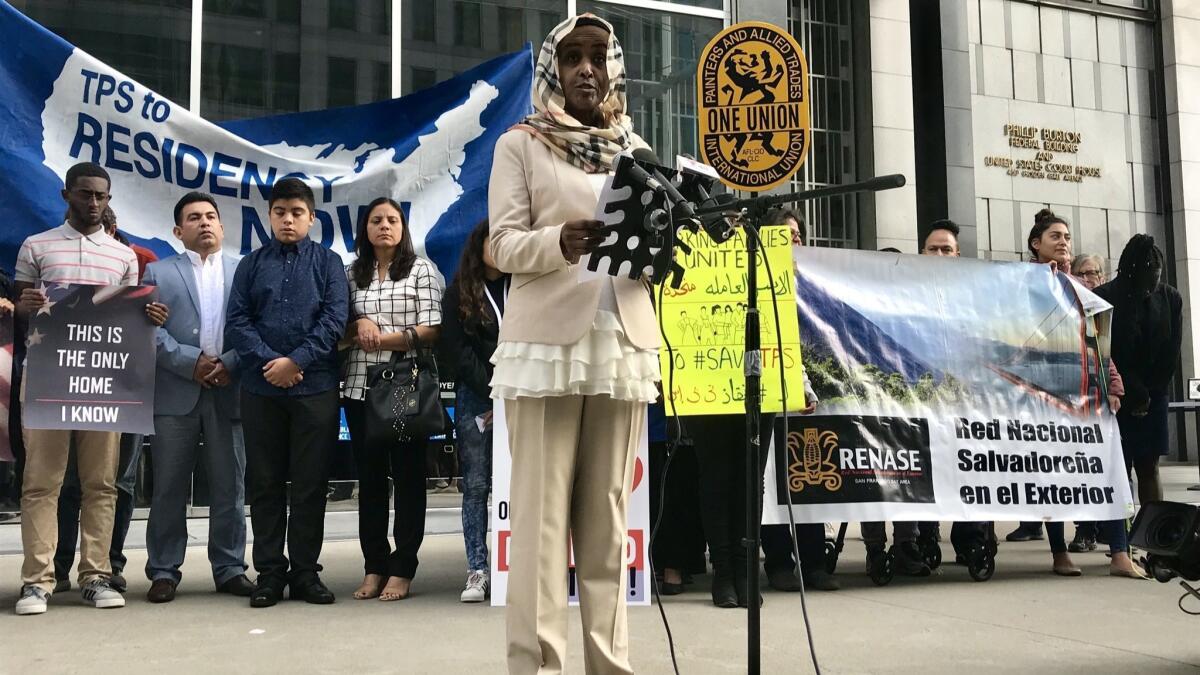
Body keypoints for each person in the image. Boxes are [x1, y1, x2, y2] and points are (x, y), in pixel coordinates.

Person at [488, 14, 660, 673]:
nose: (585, 69)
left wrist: (663, 248)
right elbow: (500, 246)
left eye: (597, 57)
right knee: (538, 525)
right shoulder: (520, 144)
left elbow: (648, 246)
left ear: (613, 67)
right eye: (571, 57)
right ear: (551, 71)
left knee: (608, 527)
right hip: (545, 346)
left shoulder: (636, 149)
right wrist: (558, 242)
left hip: (621, 340)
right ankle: (537, 666)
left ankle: (609, 665)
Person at [14, 162, 167, 616]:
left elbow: (126, 321)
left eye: (102, 196)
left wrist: (149, 317)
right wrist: (25, 305)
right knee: (42, 482)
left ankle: (96, 575)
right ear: (66, 195)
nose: (94, 203)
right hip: (47, 381)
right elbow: (20, 309)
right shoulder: (35, 245)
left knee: (102, 483)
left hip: (103, 383)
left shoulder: (122, 257)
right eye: (85, 194)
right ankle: (37, 581)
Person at [226, 177, 348, 607]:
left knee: (311, 484)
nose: (288, 220)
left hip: (315, 387)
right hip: (261, 390)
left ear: (312, 218)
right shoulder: (251, 264)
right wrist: (271, 363)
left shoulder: (329, 263)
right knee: (265, 483)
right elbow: (237, 322)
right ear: (269, 216)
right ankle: (270, 574)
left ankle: (305, 573)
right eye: (280, 212)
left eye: (297, 213)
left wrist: (296, 361)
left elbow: (334, 320)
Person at [141, 192, 252, 603]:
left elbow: (253, 329)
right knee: (168, 487)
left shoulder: (244, 273)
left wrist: (228, 362)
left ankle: (229, 568)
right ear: (177, 230)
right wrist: (191, 363)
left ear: (222, 226)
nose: (204, 223)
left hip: (230, 388)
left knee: (230, 487)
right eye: (193, 218)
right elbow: (147, 333)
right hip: (175, 392)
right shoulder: (157, 273)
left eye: (210, 217)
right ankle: (164, 571)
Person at [53, 205, 159, 594]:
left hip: (127, 386)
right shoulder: (63, 261)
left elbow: (152, 318)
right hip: (71, 383)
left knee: (122, 481)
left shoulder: (141, 260)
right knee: (68, 481)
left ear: (112, 230)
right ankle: (61, 564)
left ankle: (110, 563)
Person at [341, 197, 442, 602]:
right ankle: (374, 565)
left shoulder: (421, 270)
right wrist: (357, 323)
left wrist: (381, 338)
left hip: (404, 386)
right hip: (357, 387)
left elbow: (433, 328)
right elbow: (337, 325)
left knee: (407, 478)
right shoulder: (350, 274)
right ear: (364, 228)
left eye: (393, 220)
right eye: (376, 220)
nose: (384, 226)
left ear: (403, 228)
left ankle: (403, 567)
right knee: (369, 482)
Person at [756, 205, 837, 594]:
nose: (797, 242)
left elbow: (800, 345)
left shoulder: (809, 284)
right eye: (788, 235)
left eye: (800, 235)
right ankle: (777, 562)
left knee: (808, 478)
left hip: (798, 395)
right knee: (769, 482)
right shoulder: (754, 279)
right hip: (763, 394)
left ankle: (814, 562)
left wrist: (804, 387)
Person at [440, 220, 506, 603]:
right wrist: (493, 387)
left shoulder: (525, 286)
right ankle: (478, 569)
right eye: (491, 242)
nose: (498, 249)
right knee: (477, 485)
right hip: (477, 399)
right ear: (477, 247)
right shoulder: (459, 294)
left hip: (523, 394)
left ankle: (513, 563)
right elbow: (457, 352)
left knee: (517, 484)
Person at [1095, 235, 1182, 507]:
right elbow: (1103, 351)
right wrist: (1130, 390)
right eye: (1148, 277)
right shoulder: (1105, 297)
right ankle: (1120, 541)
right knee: (1117, 468)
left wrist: (1149, 394)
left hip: (1153, 394)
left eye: (1157, 276)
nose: (1153, 284)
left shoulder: (1170, 298)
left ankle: (1154, 538)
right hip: (1115, 394)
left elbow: (1171, 352)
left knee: (1149, 466)